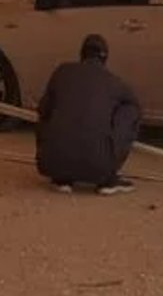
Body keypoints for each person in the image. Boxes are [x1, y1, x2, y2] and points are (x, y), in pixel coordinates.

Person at [35, 33, 141, 196]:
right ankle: (108, 178)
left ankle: (62, 177)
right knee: (131, 108)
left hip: (51, 164)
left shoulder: (62, 71)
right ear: (105, 58)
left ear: (81, 54)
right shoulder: (113, 81)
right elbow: (135, 105)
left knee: (49, 106)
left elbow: (43, 110)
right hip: (99, 168)